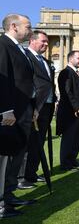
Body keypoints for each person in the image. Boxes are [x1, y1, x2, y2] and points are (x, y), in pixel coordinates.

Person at [0, 13, 35, 218]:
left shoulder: (18, 48)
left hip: (22, 111)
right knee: (4, 159)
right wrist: (5, 109)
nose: (30, 30)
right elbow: (3, 79)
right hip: (10, 113)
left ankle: (8, 196)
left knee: (15, 156)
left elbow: (25, 81)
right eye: (27, 27)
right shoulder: (3, 45)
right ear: (14, 26)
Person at [20, 30, 56, 189]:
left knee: (38, 142)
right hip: (33, 106)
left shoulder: (46, 61)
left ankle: (32, 173)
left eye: (47, 42)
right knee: (27, 143)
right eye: (43, 41)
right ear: (32, 41)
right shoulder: (25, 56)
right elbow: (26, 82)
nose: (47, 44)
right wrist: (32, 105)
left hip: (46, 106)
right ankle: (21, 177)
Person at [56, 50, 79, 171]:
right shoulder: (66, 72)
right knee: (69, 138)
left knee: (76, 137)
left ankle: (72, 160)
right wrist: (76, 107)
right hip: (70, 112)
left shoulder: (76, 73)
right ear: (70, 59)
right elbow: (67, 92)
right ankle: (65, 164)